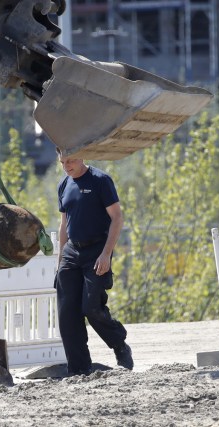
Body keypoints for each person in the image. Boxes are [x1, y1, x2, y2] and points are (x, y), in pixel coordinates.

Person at [55, 149, 133, 375]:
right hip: (72, 252)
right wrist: (61, 260)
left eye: (70, 160)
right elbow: (64, 225)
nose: (66, 165)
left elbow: (117, 218)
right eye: (62, 162)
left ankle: (119, 345)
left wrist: (106, 254)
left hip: (97, 249)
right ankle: (79, 369)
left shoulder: (100, 180)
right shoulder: (63, 185)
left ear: (82, 156)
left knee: (91, 307)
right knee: (67, 313)